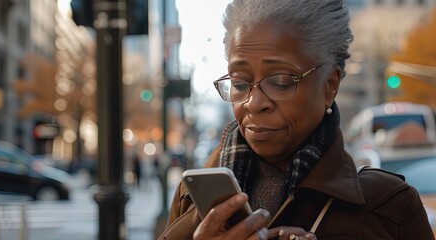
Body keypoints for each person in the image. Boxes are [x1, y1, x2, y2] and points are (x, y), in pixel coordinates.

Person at [158, 0, 435, 240]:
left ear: (330, 86)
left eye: (280, 81)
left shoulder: (391, 208)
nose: (254, 103)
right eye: (241, 83)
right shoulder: (193, 198)